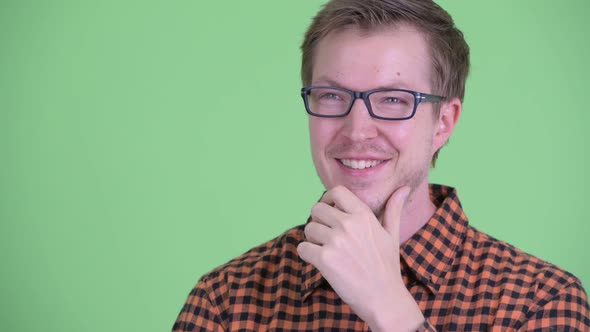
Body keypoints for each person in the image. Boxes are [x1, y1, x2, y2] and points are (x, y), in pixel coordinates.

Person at [173, 0, 590, 330]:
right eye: (332, 96)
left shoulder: (540, 301)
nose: (357, 130)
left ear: (443, 122)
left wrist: (392, 311)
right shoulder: (225, 301)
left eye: (393, 99)